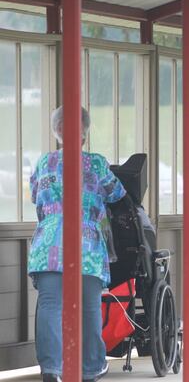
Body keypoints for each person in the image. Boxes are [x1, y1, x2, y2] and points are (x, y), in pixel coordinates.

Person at [28, 107, 126, 382]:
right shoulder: (96, 163)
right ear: (84, 133)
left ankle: (52, 368)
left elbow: (35, 195)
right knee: (89, 307)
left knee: (50, 305)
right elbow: (117, 193)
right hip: (87, 245)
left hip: (48, 243)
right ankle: (91, 366)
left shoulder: (43, 163)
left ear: (57, 131)